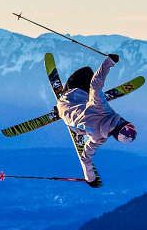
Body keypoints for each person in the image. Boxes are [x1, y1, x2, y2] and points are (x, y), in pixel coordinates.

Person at [54, 53, 138, 186]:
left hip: (68, 98)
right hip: (71, 122)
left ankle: (67, 105)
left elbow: (95, 84)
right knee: (87, 113)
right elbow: (85, 157)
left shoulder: (103, 108)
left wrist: (109, 62)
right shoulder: (99, 139)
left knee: (87, 72)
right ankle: (75, 122)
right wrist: (90, 179)